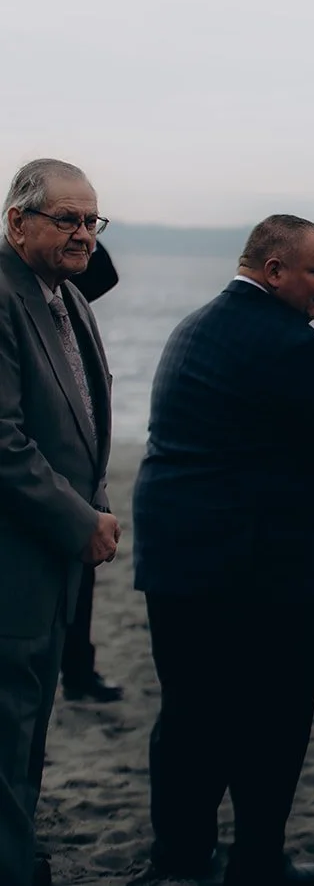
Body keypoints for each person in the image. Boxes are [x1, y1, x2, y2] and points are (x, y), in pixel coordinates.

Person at [132, 215, 314, 886]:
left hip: (177, 557)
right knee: (273, 721)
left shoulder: (192, 327)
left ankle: (178, 860)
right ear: (273, 270)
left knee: (188, 715)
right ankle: (255, 861)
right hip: (263, 567)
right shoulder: (294, 345)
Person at [0, 160, 120, 886]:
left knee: (30, 730)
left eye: (92, 221)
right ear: (17, 222)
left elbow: (81, 416)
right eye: (67, 220)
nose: (83, 235)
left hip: (56, 563)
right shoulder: (4, 297)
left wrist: (94, 503)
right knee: (7, 730)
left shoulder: (66, 296)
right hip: (14, 556)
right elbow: (3, 439)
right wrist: (79, 517)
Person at [60, 242, 122, 705]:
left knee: (82, 572)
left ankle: (79, 671)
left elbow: (104, 273)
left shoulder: (68, 301)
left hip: (79, 467)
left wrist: (76, 227)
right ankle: (78, 671)